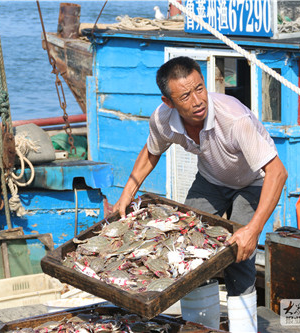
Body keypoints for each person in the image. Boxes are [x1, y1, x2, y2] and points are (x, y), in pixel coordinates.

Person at [113, 56, 287, 332]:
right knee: (187, 246)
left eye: (200, 88)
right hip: (211, 180)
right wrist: (126, 195)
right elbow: (151, 153)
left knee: (238, 254)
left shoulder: (233, 118)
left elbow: (278, 173)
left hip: (254, 182)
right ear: (168, 102)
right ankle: (200, 326)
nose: (197, 101)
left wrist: (253, 230)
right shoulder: (162, 118)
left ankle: (244, 328)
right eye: (185, 95)